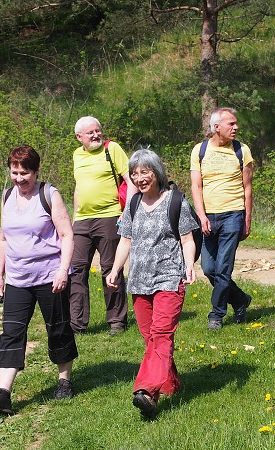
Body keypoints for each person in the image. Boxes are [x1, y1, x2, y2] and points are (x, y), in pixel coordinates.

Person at [0, 145, 78, 415]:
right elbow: (3, 239)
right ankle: (3, 393)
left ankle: (64, 381)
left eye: (25, 173)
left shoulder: (49, 194)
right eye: (15, 172)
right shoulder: (7, 195)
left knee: (57, 329)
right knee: (11, 333)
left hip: (49, 276)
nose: (20, 178)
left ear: (36, 172)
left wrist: (62, 270)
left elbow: (67, 235)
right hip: (17, 279)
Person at [106, 148, 198, 418]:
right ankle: (170, 383)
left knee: (161, 335)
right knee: (151, 339)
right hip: (139, 282)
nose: (139, 178)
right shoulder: (132, 204)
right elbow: (125, 240)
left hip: (169, 278)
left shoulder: (176, 201)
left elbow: (187, 240)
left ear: (156, 172)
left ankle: (147, 391)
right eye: (134, 174)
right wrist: (114, 270)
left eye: (144, 172)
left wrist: (189, 265)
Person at [70, 116, 137, 335]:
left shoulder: (112, 149)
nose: (96, 135)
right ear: (79, 137)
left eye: (98, 131)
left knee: (111, 268)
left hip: (109, 217)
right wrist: (74, 220)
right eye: (90, 133)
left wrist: (126, 214)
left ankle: (117, 321)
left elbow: (131, 181)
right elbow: (78, 189)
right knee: (76, 270)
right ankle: (77, 323)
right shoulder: (77, 155)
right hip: (82, 220)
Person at [190, 107, 254, 331]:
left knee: (223, 268)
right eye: (231, 124)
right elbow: (196, 186)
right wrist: (201, 215)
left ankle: (216, 314)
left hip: (233, 215)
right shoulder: (200, 150)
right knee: (209, 268)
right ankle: (240, 300)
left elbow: (247, 188)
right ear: (216, 127)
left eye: (236, 124)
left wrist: (247, 219)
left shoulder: (241, 150)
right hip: (209, 217)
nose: (236, 128)